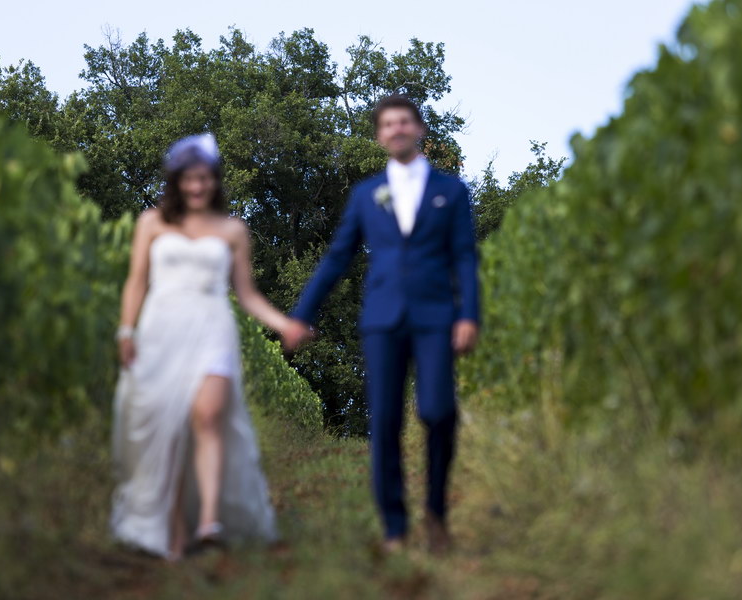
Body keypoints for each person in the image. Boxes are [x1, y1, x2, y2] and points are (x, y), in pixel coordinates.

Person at [282, 95, 481, 554]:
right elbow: (337, 258)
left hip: (435, 317)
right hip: (383, 318)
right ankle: (395, 527)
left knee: (438, 411)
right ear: (379, 136)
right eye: (387, 124)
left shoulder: (451, 191)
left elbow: (465, 258)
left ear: (419, 129)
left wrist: (469, 314)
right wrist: (302, 314)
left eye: (404, 121)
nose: (396, 129)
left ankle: (435, 512)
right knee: (386, 420)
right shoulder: (366, 195)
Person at [111, 133, 291, 561]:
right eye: (189, 179)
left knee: (209, 415)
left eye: (204, 179)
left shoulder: (233, 230)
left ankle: (210, 521)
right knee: (170, 429)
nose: (197, 187)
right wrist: (125, 330)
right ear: (176, 181)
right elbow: (137, 281)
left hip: (212, 327)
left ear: (215, 181)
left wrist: (285, 323)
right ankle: (174, 529)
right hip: (161, 330)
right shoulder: (151, 223)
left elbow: (246, 294)